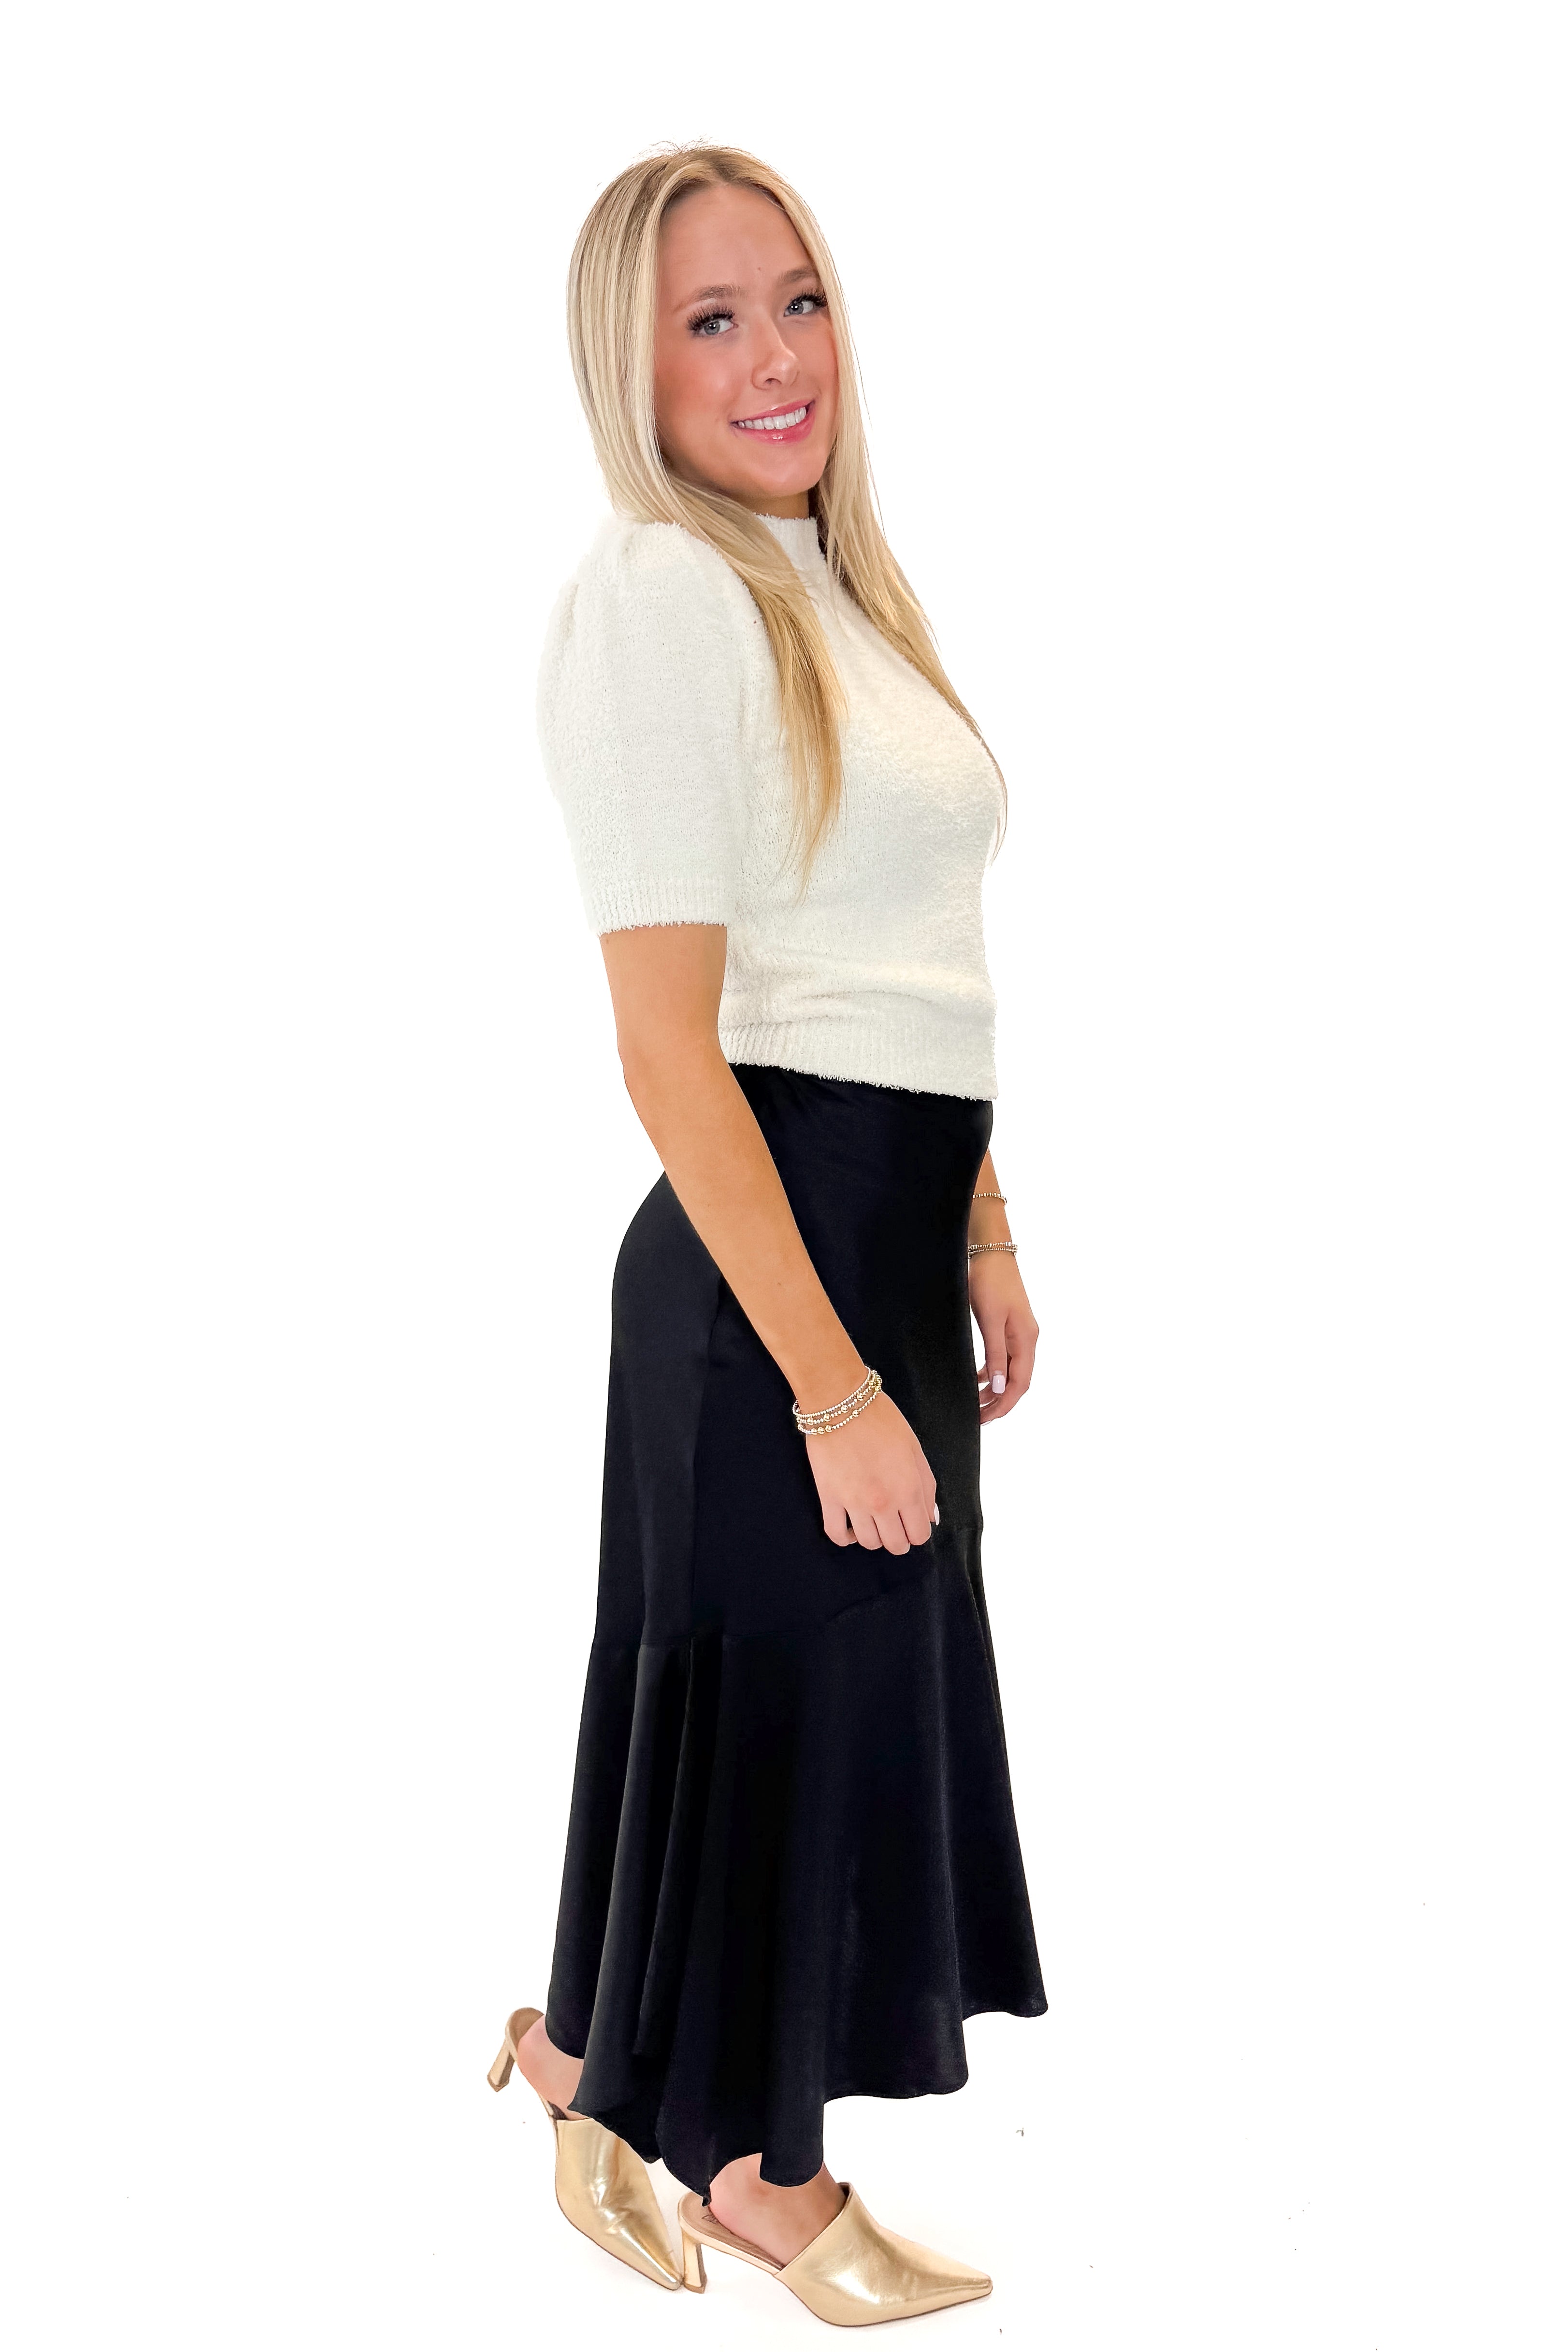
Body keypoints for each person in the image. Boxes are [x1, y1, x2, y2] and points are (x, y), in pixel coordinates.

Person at [488, 143, 1047, 2327]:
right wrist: (828, 1382)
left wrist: (981, 1224)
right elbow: (667, 1047)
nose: (773, 355)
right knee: (785, 1710)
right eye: (709, 319)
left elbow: (909, 956)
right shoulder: (661, 593)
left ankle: (581, 2062)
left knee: (768, 1699)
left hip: (881, 1231)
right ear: (627, 366)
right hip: (768, 1267)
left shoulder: (837, 589)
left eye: (796, 298)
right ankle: (759, 2175)